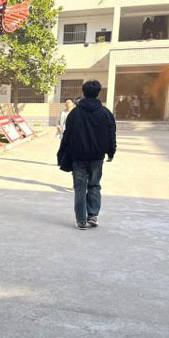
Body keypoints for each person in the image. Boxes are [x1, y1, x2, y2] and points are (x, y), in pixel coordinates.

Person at [58, 80, 117, 230]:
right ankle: (93, 215)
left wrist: (62, 153)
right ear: (98, 93)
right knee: (94, 185)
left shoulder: (75, 113)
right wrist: (111, 151)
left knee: (80, 187)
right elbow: (111, 134)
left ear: (83, 93)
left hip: (78, 157)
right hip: (97, 157)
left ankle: (81, 221)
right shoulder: (105, 113)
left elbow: (67, 136)